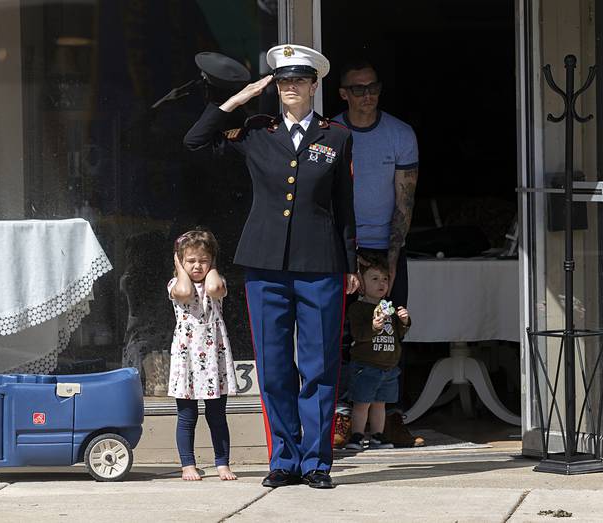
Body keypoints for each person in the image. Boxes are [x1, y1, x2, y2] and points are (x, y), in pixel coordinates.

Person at [184, 44, 359, 489]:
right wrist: (237, 101)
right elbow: (196, 141)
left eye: (299, 80)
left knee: (319, 367)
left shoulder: (335, 136)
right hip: (265, 265)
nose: (290, 88)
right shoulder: (257, 133)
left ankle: (316, 463)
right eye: (283, 81)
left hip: (321, 265)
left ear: (315, 85)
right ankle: (284, 459)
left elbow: (344, 207)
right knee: (275, 366)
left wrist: (351, 264)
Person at [333, 60, 419, 308]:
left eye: (373, 87)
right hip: (342, 248)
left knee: (389, 333)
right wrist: (348, 255)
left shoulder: (400, 134)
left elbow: (405, 202)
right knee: (342, 333)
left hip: (386, 247)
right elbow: (324, 200)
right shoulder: (331, 133)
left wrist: (391, 260)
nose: (368, 95)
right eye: (358, 89)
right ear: (343, 93)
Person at [168, 229, 238, 481]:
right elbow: (185, 292)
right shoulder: (175, 284)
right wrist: (179, 268)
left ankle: (222, 463)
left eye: (203, 260)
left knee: (217, 415)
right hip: (187, 358)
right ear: (180, 261)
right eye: (191, 260)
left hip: (212, 358)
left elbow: (213, 287)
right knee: (187, 415)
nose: (197, 265)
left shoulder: (216, 282)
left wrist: (212, 268)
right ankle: (188, 464)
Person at [344, 259, 411, 451]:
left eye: (385, 279)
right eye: (374, 278)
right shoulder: (358, 308)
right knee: (362, 403)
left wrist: (405, 322)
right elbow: (358, 335)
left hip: (388, 367)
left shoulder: (388, 307)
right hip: (366, 365)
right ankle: (357, 435)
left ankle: (377, 435)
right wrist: (373, 326)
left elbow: (397, 335)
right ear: (361, 284)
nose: (381, 283)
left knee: (380, 404)